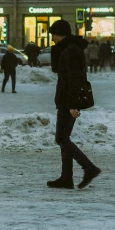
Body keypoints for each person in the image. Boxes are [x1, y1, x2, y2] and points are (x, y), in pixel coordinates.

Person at [47, 19, 101, 190]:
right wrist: (56, 50)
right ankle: (66, 178)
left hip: (67, 100)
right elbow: (57, 69)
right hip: (66, 99)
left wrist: (72, 104)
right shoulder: (67, 49)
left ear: (60, 34)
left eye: (53, 35)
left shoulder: (70, 52)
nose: (52, 38)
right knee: (64, 138)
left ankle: (88, 168)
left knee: (61, 138)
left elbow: (74, 78)